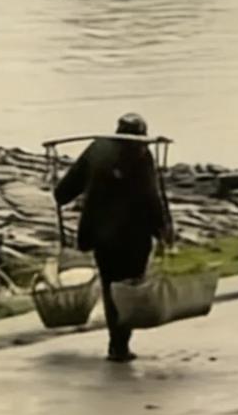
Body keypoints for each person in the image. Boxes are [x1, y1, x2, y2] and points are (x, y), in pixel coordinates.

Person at [54, 113, 172, 362]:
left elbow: (64, 191)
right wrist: (163, 230)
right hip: (134, 236)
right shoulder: (142, 155)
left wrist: (59, 192)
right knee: (128, 288)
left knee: (111, 287)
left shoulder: (98, 148)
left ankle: (117, 343)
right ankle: (120, 343)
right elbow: (151, 197)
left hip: (102, 235)